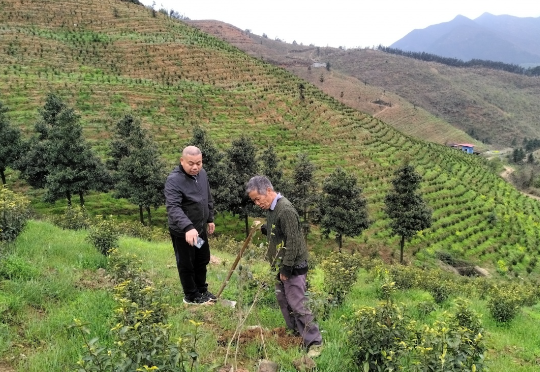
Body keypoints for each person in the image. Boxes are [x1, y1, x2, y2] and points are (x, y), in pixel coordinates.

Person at [246, 175, 323, 356]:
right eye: (253, 201)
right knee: (283, 301)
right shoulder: (272, 209)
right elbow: (278, 229)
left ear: (269, 191)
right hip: (279, 264)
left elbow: (294, 241)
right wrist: (266, 228)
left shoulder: (285, 210)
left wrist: (287, 268)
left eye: (258, 199)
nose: (257, 203)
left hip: (292, 265)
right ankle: (296, 333)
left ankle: (315, 341)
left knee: (297, 304)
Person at [165, 146, 216, 305]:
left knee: (202, 259)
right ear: (182, 161)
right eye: (191, 163)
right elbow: (173, 207)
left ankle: (201, 289)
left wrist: (210, 218)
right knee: (187, 264)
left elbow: (207, 197)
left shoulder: (202, 174)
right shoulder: (174, 180)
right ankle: (191, 296)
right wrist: (187, 227)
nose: (195, 167)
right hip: (184, 234)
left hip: (199, 232)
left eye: (199, 163)